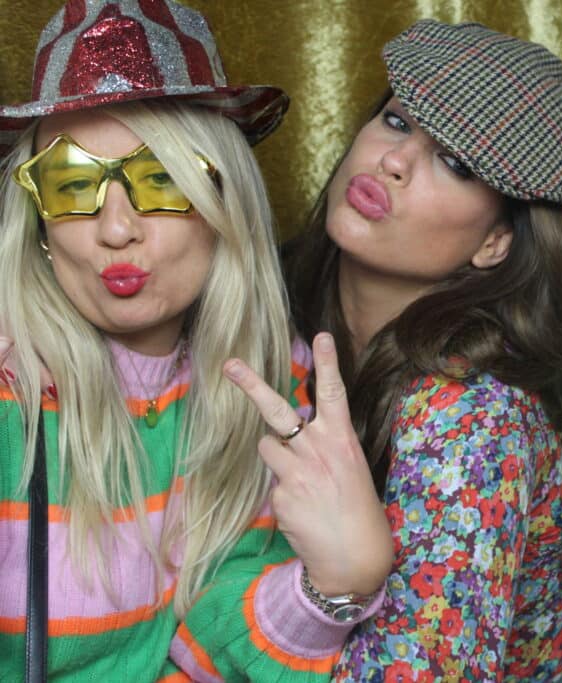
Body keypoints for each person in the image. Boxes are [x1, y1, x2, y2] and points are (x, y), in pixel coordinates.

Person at [0, 1, 392, 680]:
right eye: (73, 183)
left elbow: (217, 644)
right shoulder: (13, 389)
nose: (116, 229)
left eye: (160, 180)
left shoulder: (271, 382)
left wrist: (338, 580)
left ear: (223, 203)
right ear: (37, 218)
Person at [229, 18, 562, 682]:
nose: (394, 161)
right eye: (398, 122)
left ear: (496, 242)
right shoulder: (272, 310)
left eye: (455, 163)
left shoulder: (475, 419)